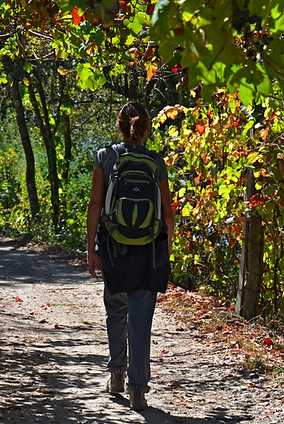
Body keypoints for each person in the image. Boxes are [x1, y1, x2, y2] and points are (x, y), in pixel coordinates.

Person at [86, 101, 174, 411]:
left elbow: (95, 206)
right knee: (141, 317)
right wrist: (166, 249)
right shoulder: (155, 161)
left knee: (116, 310)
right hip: (148, 249)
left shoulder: (105, 157)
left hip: (114, 246)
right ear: (147, 128)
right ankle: (139, 388)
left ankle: (116, 375)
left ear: (120, 126)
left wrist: (91, 249)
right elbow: (167, 213)